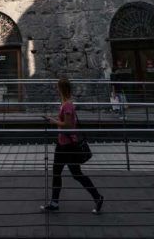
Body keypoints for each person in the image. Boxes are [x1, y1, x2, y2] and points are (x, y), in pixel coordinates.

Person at [41, 77, 104, 214]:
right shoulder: (65, 103)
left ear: (61, 89)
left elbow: (68, 125)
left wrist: (52, 121)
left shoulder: (68, 105)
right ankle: (54, 202)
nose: (56, 89)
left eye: (58, 87)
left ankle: (97, 197)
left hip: (67, 146)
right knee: (61, 173)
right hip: (63, 144)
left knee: (75, 174)